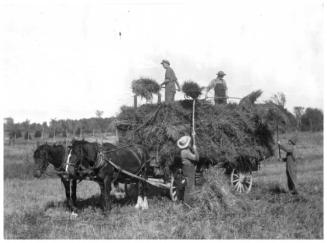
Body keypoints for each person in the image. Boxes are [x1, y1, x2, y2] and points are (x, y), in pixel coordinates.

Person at [177, 135, 199, 203]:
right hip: (189, 169)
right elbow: (196, 158)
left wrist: (193, 135)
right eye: (189, 143)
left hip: (186, 168)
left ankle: (186, 201)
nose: (189, 143)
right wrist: (195, 150)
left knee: (187, 185)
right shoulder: (186, 152)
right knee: (189, 186)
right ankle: (187, 203)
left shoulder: (183, 151)